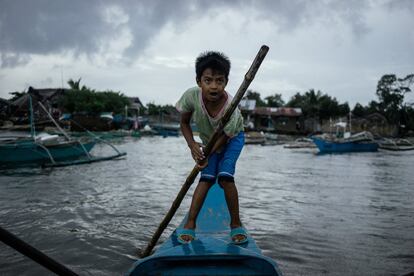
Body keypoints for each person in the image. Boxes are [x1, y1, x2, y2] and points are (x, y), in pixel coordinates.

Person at [175, 51, 247, 244]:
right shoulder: (191, 96)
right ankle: (190, 225)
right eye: (208, 80)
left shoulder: (230, 106)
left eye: (219, 81)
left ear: (226, 82)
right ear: (199, 81)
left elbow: (224, 137)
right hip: (209, 142)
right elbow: (184, 123)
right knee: (205, 179)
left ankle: (236, 224)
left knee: (225, 177)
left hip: (232, 139)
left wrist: (207, 154)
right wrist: (192, 146)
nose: (214, 86)